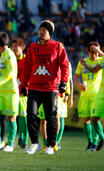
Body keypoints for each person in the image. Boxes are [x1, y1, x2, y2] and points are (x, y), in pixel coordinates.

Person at [20, 20, 70, 155]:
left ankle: (50, 145)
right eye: (40, 29)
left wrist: (64, 82)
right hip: (34, 88)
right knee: (30, 115)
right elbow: (27, 67)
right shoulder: (31, 47)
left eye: (44, 30)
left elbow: (65, 66)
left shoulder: (58, 47)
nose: (41, 32)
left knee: (51, 117)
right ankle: (34, 143)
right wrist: (23, 84)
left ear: (50, 33)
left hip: (51, 88)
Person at [0, 32, 19, 152]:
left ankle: (10, 144)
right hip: (0, 91)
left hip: (11, 91)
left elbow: (11, 74)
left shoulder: (9, 55)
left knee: (11, 118)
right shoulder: (2, 55)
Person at [74, 41, 102, 151]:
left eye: (96, 52)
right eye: (92, 52)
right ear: (88, 51)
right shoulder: (82, 62)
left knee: (95, 120)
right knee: (86, 120)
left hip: (96, 95)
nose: (94, 55)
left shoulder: (101, 61)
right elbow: (76, 77)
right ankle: (90, 142)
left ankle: (95, 142)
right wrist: (79, 85)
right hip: (85, 95)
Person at [10, 38, 28, 149]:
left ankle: (24, 138)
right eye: (13, 46)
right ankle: (12, 139)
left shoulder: (27, 59)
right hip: (12, 92)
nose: (15, 48)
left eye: (17, 46)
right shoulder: (10, 59)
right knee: (12, 117)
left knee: (24, 118)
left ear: (22, 47)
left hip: (23, 93)